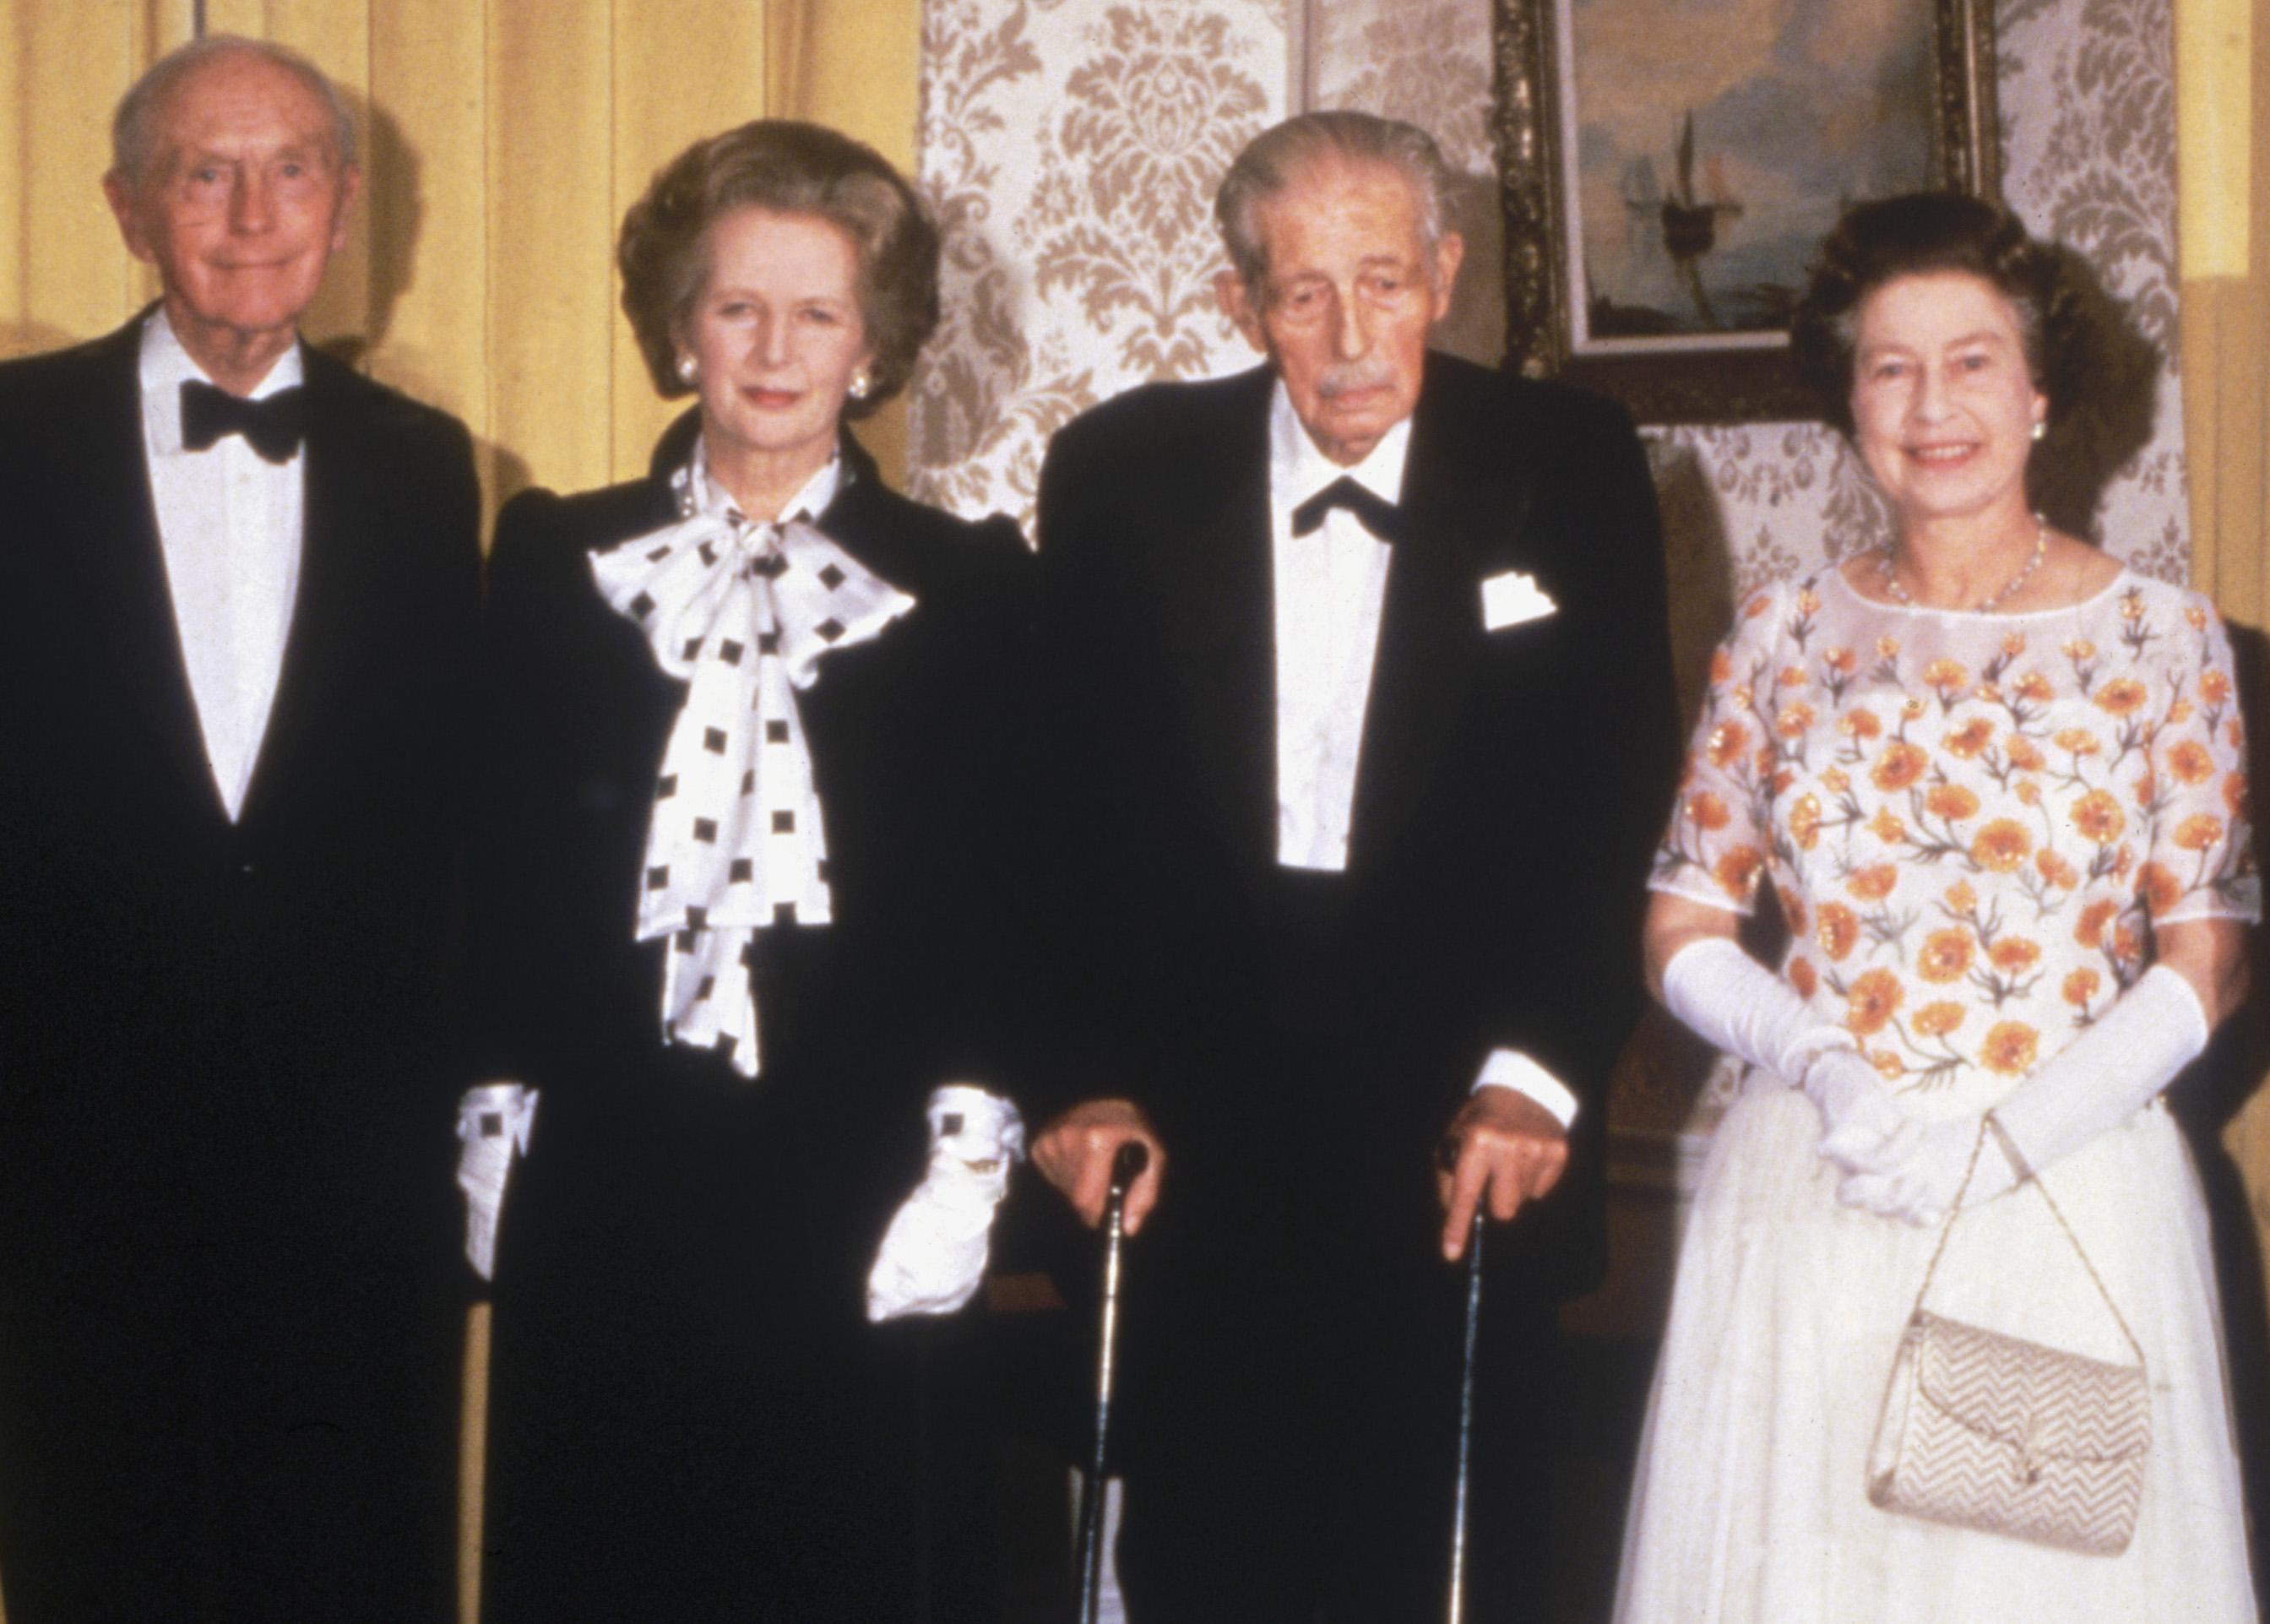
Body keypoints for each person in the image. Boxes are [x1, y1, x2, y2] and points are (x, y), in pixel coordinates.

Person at [1029, 111, 1679, 1621]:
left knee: (1462, 1562)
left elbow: (1615, 797)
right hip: (1194, 1132)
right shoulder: (1120, 469)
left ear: (1444, 274)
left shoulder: (1565, 463)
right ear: (1240, 303)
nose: (1346, 335)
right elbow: (1055, 813)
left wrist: (1539, 1072)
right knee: (1200, 1559)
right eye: (1302, 291)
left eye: (1383, 281)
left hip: (1465, 1128)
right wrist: (1081, 1076)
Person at [1616, 192, 2260, 1621]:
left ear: (2039, 390)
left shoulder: (2162, 639)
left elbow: (2205, 963)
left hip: (2068, 1175)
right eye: (1890, 366)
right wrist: (1824, 1065)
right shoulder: (1779, 638)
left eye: (1972, 360)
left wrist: (2010, 1140)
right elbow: (1682, 927)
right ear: (1849, 399)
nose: (1932, 403)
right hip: (1826, 1179)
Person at [470, 120, 1034, 1621]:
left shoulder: (973, 589)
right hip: (608, 1167)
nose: (774, 349)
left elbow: (1008, 902)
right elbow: (492, 869)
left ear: (874, 345)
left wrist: (971, 1154)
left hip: (862, 1172)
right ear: (679, 332)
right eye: (737, 308)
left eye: (819, 313)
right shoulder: (553, 561)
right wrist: (488, 1107)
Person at [0, 35, 479, 1624]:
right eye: (207, 170)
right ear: (131, 209)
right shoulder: (9, 439)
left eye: (293, 170)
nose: (253, 211)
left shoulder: (429, 473)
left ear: (348, 210)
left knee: (350, 1568)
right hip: (67, 1174)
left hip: (354, 1181)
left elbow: (440, 835)